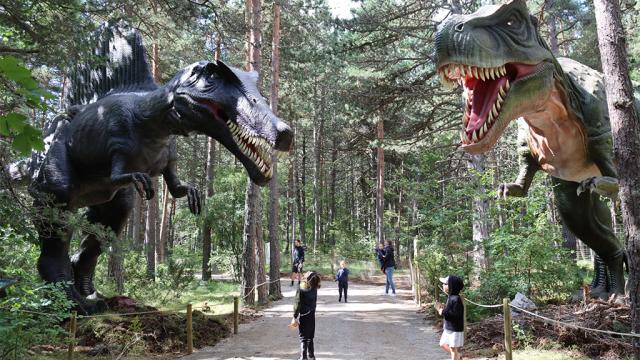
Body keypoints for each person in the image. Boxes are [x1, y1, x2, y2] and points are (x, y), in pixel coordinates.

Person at [291, 271, 321, 360]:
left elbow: (297, 303)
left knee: (303, 337)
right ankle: (311, 356)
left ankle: (303, 357)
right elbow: (314, 302)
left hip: (304, 315)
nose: (306, 272)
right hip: (312, 314)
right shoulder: (314, 288)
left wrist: (294, 316)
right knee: (310, 336)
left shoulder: (301, 288)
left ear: (307, 278)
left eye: (307, 273)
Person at [435, 275, 465, 360]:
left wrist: (442, 311)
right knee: (442, 344)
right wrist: (444, 307)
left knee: (453, 349)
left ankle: (456, 356)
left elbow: (456, 315)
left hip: (455, 329)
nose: (443, 285)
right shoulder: (450, 297)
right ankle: (458, 356)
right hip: (448, 327)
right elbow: (450, 311)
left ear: (451, 286)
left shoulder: (456, 299)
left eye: (445, 284)